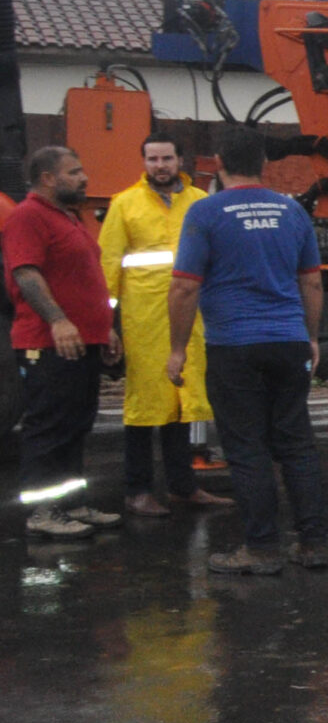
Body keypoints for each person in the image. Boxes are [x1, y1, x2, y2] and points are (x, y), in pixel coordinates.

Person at [170, 130, 327, 575]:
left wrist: (178, 349)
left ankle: (261, 548)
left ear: (219, 163)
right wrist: (311, 338)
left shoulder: (205, 212)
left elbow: (184, 287)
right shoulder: (292, 211)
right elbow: (312, 282)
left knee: (246, 446)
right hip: (288, 342)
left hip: (234, 345)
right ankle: (313, 544)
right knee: (296, 444)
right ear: (264, 164)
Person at [101, 133, 229, 515]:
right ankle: (137, 490)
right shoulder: (124, 204)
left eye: (166, 158)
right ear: (143, 162)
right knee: (143, 407)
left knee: (180, 403)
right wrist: (107, 323)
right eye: (153, 159)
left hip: (191, 318)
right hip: (144, 321)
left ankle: (182, 487)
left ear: (180, 160)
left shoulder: (200, 202)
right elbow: (108, 266)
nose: (160, 166)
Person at [5, 147, 124, 540]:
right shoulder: (28, 216)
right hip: (48, 343)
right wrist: (58, 320)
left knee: (74, 425)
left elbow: (85, 281)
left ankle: (71, 504)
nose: (84, 178)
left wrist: (103, 330)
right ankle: (42, 512)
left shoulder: (68, 218)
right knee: (49, 427)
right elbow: (26, 273)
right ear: (47, 179)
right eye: (74, 172)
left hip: (82, 342)